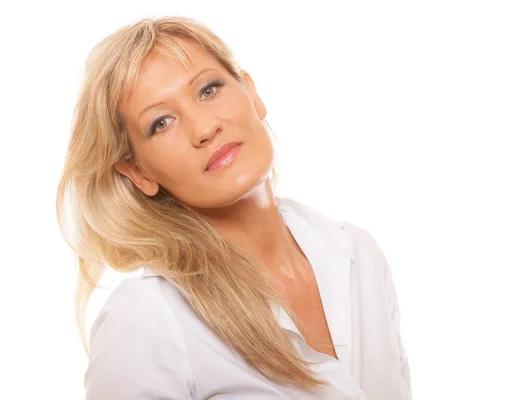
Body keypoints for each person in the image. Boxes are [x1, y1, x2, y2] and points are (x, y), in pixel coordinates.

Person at [56, 16, 411, 400]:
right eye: (162, 122)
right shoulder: (146, 320)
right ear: (138, 172)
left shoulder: (360, 252)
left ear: (251, 92)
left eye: (208, 90)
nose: (204, 129)